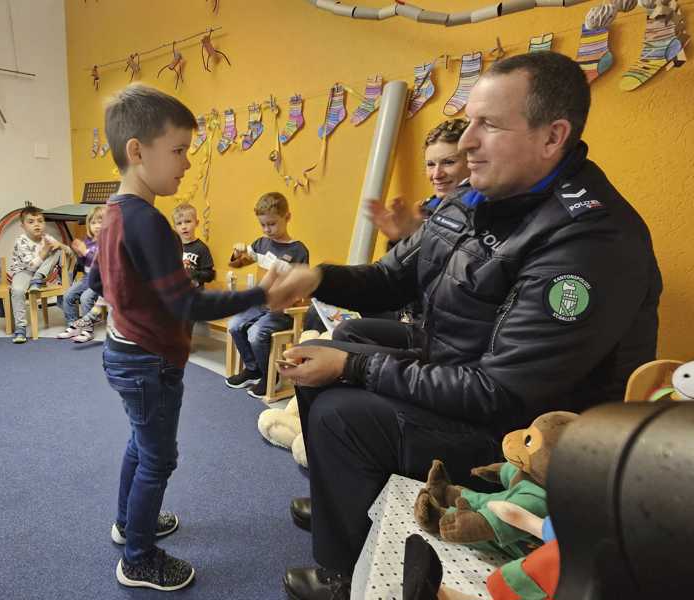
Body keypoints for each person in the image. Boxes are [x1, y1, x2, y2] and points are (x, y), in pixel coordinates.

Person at [267, 52, 662, 600]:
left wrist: (355, 369)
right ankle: (346, 499)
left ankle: (342, 573)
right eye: (469, 119)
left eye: (489, 125)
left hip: (526, 436)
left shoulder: (589, 242)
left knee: (341, 408)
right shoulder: (477, 198)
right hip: (463, 367)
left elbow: (501, 393)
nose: (466, 141)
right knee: (343, 342)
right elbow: (390, 278)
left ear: (553, 137)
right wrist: (316, 276)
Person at [89, 83, 286, 592]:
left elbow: (95, 280)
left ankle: (128, 522)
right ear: (137, 151)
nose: (186, 163)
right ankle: (137, 557)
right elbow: (188, 306)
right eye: (177, 150)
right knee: (158, 457)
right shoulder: (150, 223)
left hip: (123, 352)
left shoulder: (112, 213)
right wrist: (260, 294)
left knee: (140, 443)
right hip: (149, 362)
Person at [332, 118, 471, 345]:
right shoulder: (427, 208)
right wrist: (399, 240)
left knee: (347, 331)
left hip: (440, 329)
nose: (437, 174)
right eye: (430, 164)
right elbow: (399, 277)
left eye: (448, 162)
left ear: (472, 160)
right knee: (332, 311)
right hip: (412, 311)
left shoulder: (481, 212)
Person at [225, 192, 309, 399]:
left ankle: (269, 376)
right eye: (262, 225)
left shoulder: (298, 250)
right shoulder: (261, 244)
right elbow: (238, 263)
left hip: (283, 309)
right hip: (261, 304)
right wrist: (237, 253)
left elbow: (302, 287)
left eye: (271, 224)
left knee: (255, 333)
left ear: (287, 217)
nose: (266, 230)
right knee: (234, 324)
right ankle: (252, 369)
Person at [8, 206, 66, 344]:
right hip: (24, 271)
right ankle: (21, 327)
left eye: (40, 221)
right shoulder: (21, 241)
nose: (37, 224)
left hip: (42, 274)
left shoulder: (47, 238)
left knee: (58, 252)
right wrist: (46, 250)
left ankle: (37, 279)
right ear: (23, 226)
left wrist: (60, 246)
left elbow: (67, 252)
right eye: (31, 221)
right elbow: (31, 266)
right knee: (17, 291)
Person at [58, 205, 104, 342]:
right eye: (93, 222)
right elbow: (83, 263)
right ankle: (73, 325)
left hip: (100, 280)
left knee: (85, 298)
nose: (96, 226)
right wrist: (79, 253)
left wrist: (85, 252)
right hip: (87, 278)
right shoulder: (88, 241)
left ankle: (87, 330)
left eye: (100, 222)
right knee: (68, 295)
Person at [172, 202, 215, 289]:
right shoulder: (172, 247)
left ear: (196, 223)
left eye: (188, 221)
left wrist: (192, 273)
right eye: (179, 223)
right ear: (175, 227)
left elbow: (210, 275)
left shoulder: (201, 248)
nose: (184, 226)